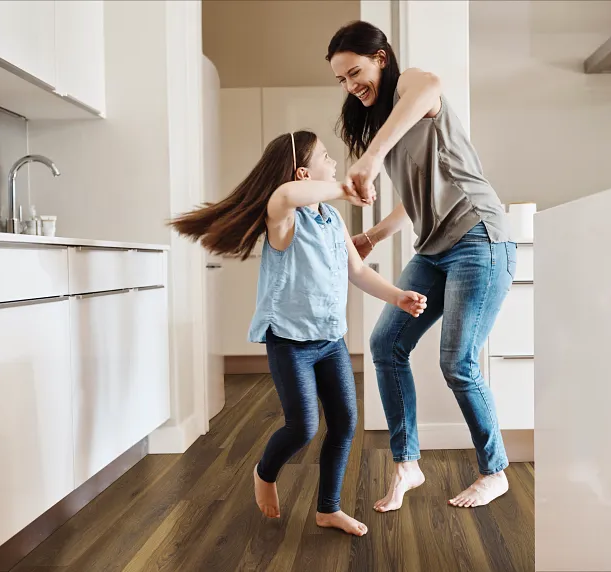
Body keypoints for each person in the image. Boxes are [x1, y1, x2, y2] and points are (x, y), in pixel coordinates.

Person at [170, 130, 427, 536]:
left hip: (330, 340)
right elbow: (286, 196)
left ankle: (328, 509)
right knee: (303, 426)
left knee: (344, 421)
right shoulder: (284, 219)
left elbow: (356, 271)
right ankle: (264, 472)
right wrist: (344, 188)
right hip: (289, 342)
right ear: (304, 173)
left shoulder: (332, 219)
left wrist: (397, 297)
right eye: (327, 157)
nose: (336, 162)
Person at [327, 21, 517, 512]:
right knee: (385, 345)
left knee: (458, 362)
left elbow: (431, 86)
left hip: (479, 236)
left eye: (356, 72)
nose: (351, 86)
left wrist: (369, 159)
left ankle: (494, 471)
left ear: (381, 59)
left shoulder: (412, 85)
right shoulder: (382, 120)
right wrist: (371, 235)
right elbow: (416, 200)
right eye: (342, 80)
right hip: (434, 247)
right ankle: (407, 464)